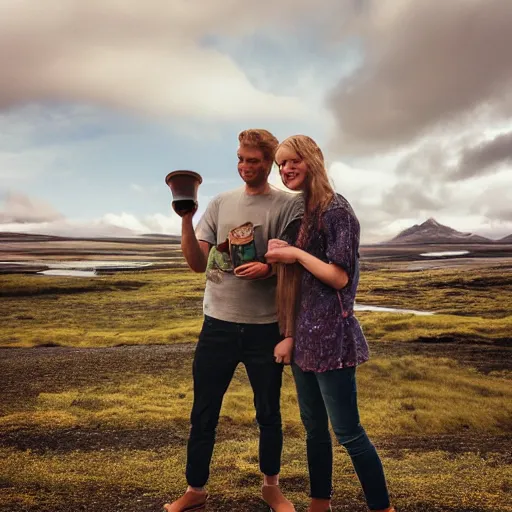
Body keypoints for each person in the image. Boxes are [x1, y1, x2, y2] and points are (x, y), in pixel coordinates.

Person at [164, 129, 301, 512]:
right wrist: (187, 220)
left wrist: (269, 268)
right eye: (240, 159)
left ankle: (271, 486)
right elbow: (196, 264)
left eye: (253, 160)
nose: (244, 166)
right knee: (203, 411)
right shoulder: (221, 203)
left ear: (269, 162)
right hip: (218, 325)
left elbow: (295, 259)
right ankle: (195, 489)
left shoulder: (288, 205)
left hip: (265, 326)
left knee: (268, 412)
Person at [265, 135, 396, 512]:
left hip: (333, 340)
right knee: (314, 433)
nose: (286, 170)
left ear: (313, 160)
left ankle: (382, 508)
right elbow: (300, 285)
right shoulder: (304, 211)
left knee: (349, 433)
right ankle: (318, 506)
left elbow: (339, 277)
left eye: (292, 162)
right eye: (281, 165)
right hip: (305, 341)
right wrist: (289, 335)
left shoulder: (337, 210)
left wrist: (294, 254)